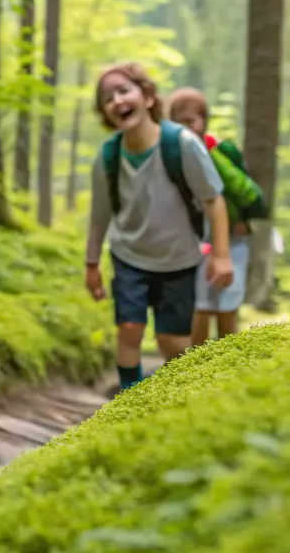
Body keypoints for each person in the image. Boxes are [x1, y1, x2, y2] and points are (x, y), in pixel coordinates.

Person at [84, 63, 234, 392]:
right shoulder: (108, 156)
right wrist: (92, 264)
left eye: (124, 91)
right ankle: (128, 402)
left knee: (174, 342)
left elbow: (214, 199)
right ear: (106, 114)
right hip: (129, 256)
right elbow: (100, 215)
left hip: (179, 260)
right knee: (129, 328)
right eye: (108, 98)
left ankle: (178, 400)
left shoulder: (181, 143)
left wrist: (221, 255)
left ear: (148, 97)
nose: (117, 101)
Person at [166, 87, 268, 345]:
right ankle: (195, 364)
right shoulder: (171, 156)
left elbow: (242, 190)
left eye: (191, 120)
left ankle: (226, 360)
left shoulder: (221, 152)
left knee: (228, 300)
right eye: (179, 122)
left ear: (204, 121)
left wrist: (241, 221)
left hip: (233, 238)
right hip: (195, 240)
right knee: (200, 303)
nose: (186, 127)